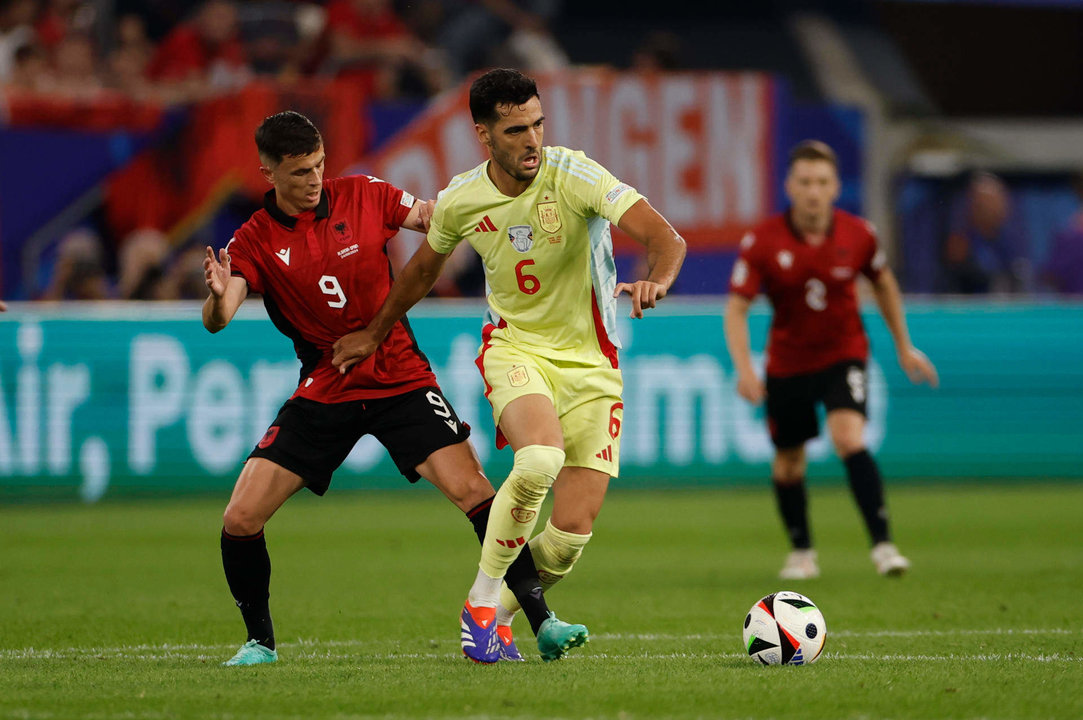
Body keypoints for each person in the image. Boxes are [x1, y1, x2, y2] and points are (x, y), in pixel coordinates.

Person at [330, 68, 686, 662]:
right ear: (483, 134)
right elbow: (421, 269)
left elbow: (665, 238)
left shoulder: (575, 174)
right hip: (515, 347)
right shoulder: (464, 197)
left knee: (571, 535)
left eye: (538, 124)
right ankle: (481, 599)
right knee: (539, 457)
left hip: (594, 364)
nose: (532, 141)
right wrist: (374, 331)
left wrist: (659, 281)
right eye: (516, 129)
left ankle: (495, 615)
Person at [203, 109, 559, 666]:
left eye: (320, 165)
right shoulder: (253, 239)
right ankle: (259, 643)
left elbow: (430, 216)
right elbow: (222, 314)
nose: (315, 179)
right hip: (327, 384)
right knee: (240, 519)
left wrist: (493, 209)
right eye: (299, 172)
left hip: (399, 374)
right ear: (268, 173)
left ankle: (543, 622)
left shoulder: (363, 194)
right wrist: (217, 296)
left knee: (477, 493)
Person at [724, 140, 938, 580]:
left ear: (836, 186)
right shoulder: (763, 241)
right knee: (788, 462)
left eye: (822, 182)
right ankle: (802, 552)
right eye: (805, 182)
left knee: (849, 439)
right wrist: (745, 368)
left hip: (844, 353)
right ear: (790, 186)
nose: (813, 191)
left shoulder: (860, 234)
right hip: (787, 363)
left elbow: (884, 285)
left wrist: (904, 345)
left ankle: (883, 546)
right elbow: (737, 308)